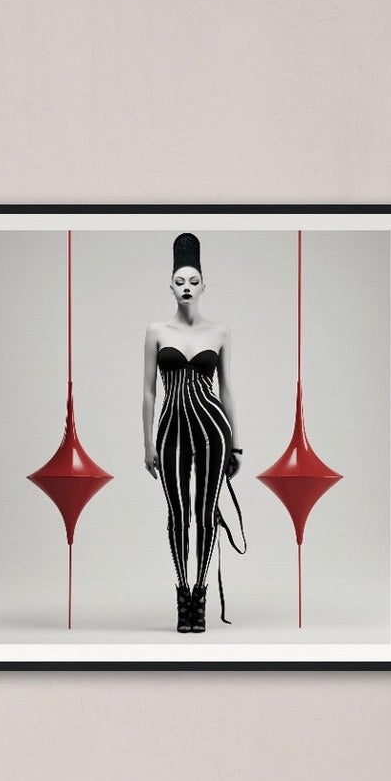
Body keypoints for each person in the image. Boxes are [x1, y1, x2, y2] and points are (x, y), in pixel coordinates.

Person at [142, 232, 246, 631]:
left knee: (205, 512)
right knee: (177, 513)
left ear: (204, 285)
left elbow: (227, 388)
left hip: (212, 430)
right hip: (169, 429)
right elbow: (149, 390)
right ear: (170, 286)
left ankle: (198, 598)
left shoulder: (219, 333)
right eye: (179, 281)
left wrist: (236, 445)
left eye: (193, 281)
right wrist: (146, 442)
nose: (186, 287)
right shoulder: (156, 331)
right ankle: (181, 591)